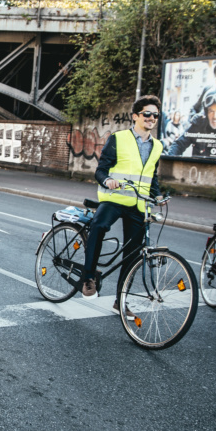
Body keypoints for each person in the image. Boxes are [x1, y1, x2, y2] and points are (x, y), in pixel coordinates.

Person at [81, 95, 164, 319]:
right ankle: (88, 277)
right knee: (98, 226)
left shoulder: (157, 145)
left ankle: (121, 300)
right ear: (135, 116)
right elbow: (101, 170)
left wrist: (158, 195)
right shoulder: (118, 138)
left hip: (139, 205)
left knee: (133, 253)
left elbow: (151, 176)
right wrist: (107, 180)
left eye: (155, 115)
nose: (151, 118)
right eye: (147, 114)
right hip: (115, 199)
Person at [167, 90, 216, 157]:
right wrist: (170, 162)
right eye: (211, 111)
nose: (215, 116)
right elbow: (179, 144)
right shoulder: (198, 125)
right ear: (206, 113)